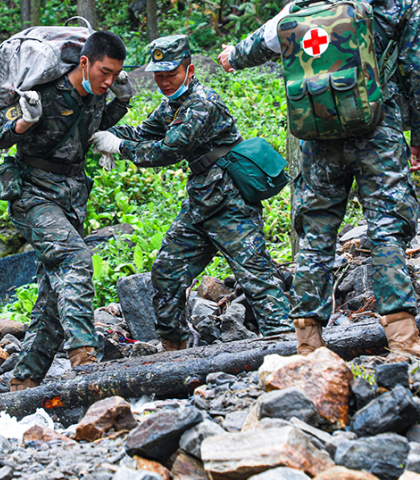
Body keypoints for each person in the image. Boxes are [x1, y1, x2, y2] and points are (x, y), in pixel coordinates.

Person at [217, 0, 420, 359]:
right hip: (380, 133)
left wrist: (229, 56)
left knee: (317, 234)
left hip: (319, 138)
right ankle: (403, 340)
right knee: (385, 228)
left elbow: (260, 42)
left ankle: (308, 346)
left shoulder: (309, 2)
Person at [90, 35, 292, 352]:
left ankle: (289, 349)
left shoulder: (202, 104)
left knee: (257, 278)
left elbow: (170, 149)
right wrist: (105, 133)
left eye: (171, 74)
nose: (164, 82)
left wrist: (120, 147)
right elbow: (144, 133)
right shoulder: (173, 105)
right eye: (159, 75)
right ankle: (176, 352)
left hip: (230, 205)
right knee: (166, 274)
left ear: (190, 69)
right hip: (200, 204)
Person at [0, 30, 133, 391]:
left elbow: (93, 123)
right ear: (84, 62)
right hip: (32, 194)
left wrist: (122, 103)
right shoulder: (43, 92)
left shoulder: (98, 93)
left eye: (116, 74)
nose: (109, 81)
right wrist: (25, 120)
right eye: (104, 72)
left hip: (70, 196)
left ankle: (25, 379)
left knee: (54, 294)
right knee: (75, 260)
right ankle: (84, 355)